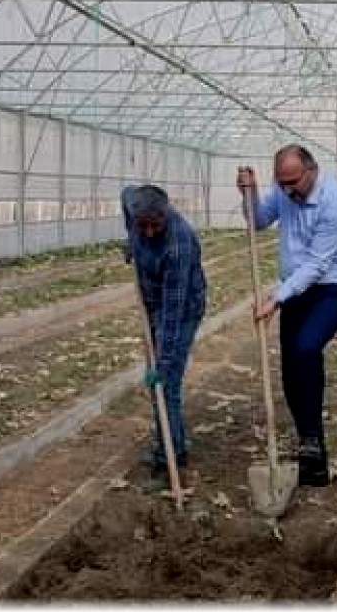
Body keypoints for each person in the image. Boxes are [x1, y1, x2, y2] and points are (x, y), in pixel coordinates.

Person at [236, 145, 337, 487]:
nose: (288, 190)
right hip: (294, 289)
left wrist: (277, 297)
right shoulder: (283, 189)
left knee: (306, 348)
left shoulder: (336, 203)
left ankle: (314, 442)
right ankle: (307, 438)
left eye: (293, 182)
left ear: (311, 170)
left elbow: (318, 265)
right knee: (291, 366)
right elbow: (259, 222)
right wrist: (252, 192)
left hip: (332, 290)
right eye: (281, 183)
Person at [120, 184, 207, 473]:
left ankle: (172, 452)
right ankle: (168, 443)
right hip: (153, 304)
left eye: (154, 226)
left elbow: (172, 313)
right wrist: (131, 245)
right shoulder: (134, 209)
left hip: (181, 311)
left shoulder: (177, 243)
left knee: (165, 382)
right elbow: (126, 194)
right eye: (141, 226)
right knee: (160, 384)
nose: (148, 233)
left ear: (165, 215)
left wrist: (162, 361)